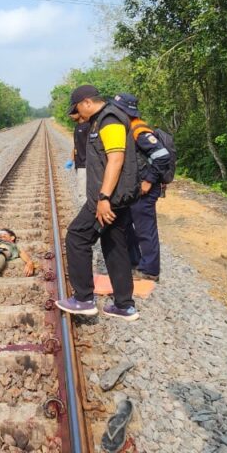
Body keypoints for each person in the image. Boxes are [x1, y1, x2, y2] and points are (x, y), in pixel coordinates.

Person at [55, 85, 140, 321]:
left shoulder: (109, 119)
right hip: (115, 197)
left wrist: (103, 198)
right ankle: (124, 305)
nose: (77, 114)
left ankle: (83, 299)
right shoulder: (100, 120)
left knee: (77, 236)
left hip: (108, 199)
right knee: (114, 245)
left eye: (77, 109)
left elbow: (116, 159)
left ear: (87, 102)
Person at [112, 93, 170, 283]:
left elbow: (162, 155)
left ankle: (150, 270)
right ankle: (135, 262)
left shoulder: (139, 130)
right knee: (126, 225)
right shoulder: (127, 128)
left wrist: (148, 180)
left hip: (145, 189)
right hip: (134, 188)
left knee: (145, 229)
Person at [66, 112, 91, 205]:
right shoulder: (77, 127)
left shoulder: (88, 126)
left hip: (85, 165)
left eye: (72, 113)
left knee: (83, 194)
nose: (70, 116)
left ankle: (86, 211)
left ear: (80, 113)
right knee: (83, 191)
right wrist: (71, 160)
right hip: (79, 164)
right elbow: (76, 145)